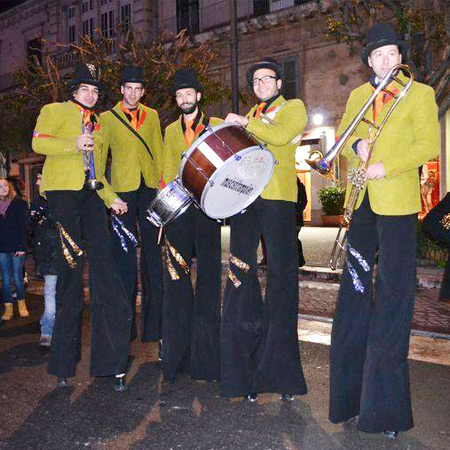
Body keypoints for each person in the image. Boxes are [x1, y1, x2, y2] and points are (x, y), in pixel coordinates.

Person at [329, 23, 440, 437]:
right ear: (369, 62)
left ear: (400, 57)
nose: (386, 60)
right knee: (354, 296)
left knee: (394, 299)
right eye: (378, 55)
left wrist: (385, 166)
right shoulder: (360, 95)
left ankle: (388, 413)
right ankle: (349, 399)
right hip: (363, 204)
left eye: (393, 53)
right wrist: (357, 145)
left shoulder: (421, 94)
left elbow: (428, 144)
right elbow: (345, 133)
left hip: (396, 205)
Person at [32, 63, 132, 391]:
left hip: (91, 197)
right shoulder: (54, 110)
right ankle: (62, 363)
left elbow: (97, 173)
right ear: (74, 91)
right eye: (85, 89)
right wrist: (71, 144)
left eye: (94, 90)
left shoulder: (99, 123)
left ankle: (112, 363)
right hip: (63, 194)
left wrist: (112, 199)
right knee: (70, 273)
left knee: (106, 271)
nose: (91, 94)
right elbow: (38, 143)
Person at [221, 58, 308, 401]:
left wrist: (245, 122)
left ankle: (281, 375)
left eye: (266, 78)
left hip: (277, 201)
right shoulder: (252, 114)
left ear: (279, 82)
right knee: (240, 275)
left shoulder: (293, 107)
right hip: (246, 199)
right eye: (255, 81)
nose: (260, 84)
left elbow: (281, 136)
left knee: (281, 281)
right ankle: (240, 373)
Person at [161, 68, 222, 383]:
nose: (184, 99)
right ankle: (176, 359)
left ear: (199, 96)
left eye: (189, 94)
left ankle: (208, 361)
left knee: (209, 283)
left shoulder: (215, 126)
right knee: (176, 282)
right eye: (179, 96)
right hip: (179, 213)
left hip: (208, 211)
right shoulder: (170, 130)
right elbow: (163, 169)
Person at [100, 65, 164, 347]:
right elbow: (99, 162)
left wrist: (161, 184)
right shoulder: (107, 118)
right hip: (122, 193)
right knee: (124, 258)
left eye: (139, 89)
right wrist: (108, 194)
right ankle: (126, 328)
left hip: (149, 189)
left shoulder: (152, 115)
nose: (134, 93)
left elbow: (158, 149)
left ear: (143, 92)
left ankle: (155, 327)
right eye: (129, 88)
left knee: (153, 257)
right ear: (121, 90)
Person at [29, 173, 59, 346]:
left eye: (41, 178)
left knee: (53, 294)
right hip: (49, 256)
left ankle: (50, 330)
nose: (38, 182)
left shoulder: (57, 202)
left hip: (58, 254)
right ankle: (48, 330)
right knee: (51, 293)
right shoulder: (39, 202)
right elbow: (31, 228)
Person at [0, 178, 28, 321]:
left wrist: (22, 246)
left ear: (9, 187)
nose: (3, 188)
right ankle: (8, 308)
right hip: (2, 247)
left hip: (17, 246)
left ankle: (22, 304)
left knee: (17, 277)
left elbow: (23, 227)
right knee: (5, 279)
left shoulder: (19, 203)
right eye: (0, 186)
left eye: (5, 185)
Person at [296, 178, 307, 267]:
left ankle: (300, 260)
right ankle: (299, 260)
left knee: (294, 239)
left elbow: (304, 201)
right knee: (294, 239)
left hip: (296, 219)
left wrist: (297, 211)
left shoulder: (299, 186)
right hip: (295, 218)